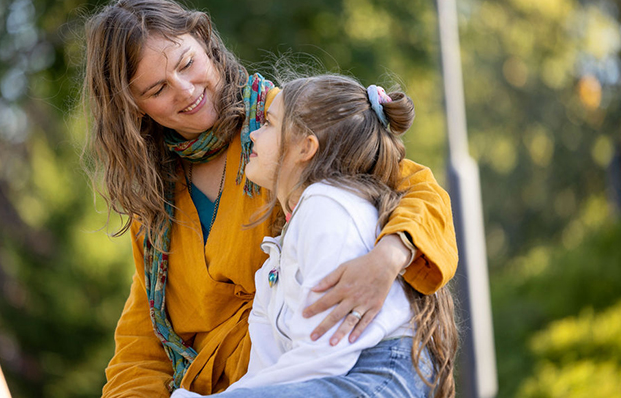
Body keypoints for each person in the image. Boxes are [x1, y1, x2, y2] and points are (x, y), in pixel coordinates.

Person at [81, 0, 458, 397]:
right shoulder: (153, 200)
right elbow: (143, 346)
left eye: (188, 64)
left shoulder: (288, 124)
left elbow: (418, 190)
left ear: (205, 43)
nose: (186, 90)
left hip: (325, 372)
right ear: (133, 107)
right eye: (158, 89)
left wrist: (388, 257)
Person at [171, 75, 458, 398]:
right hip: (335, 374)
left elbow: (325, 356)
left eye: (267, 124)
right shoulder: (277, 254)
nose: (252, 134)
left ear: (306, 147)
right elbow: (265, 373)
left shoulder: (328, 208)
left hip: (379, 375)